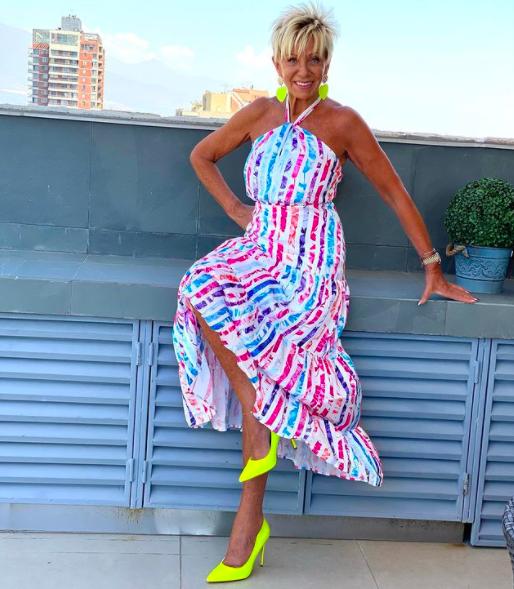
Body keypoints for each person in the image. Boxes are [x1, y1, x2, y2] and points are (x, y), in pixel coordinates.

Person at [172, 1, 478, 583]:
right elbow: (201, 155)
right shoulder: (258, 113)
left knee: (272, 359)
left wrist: (432, 266)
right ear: (276, 63)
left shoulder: (343, 123)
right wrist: (236, 208)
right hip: (260, 246)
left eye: (314, 59)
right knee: (199, 286)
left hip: (311, 262)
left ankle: (247, 528)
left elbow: (393, 191)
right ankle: (259, 427)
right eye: (293, 60)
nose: (303, 70)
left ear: (327, 63)